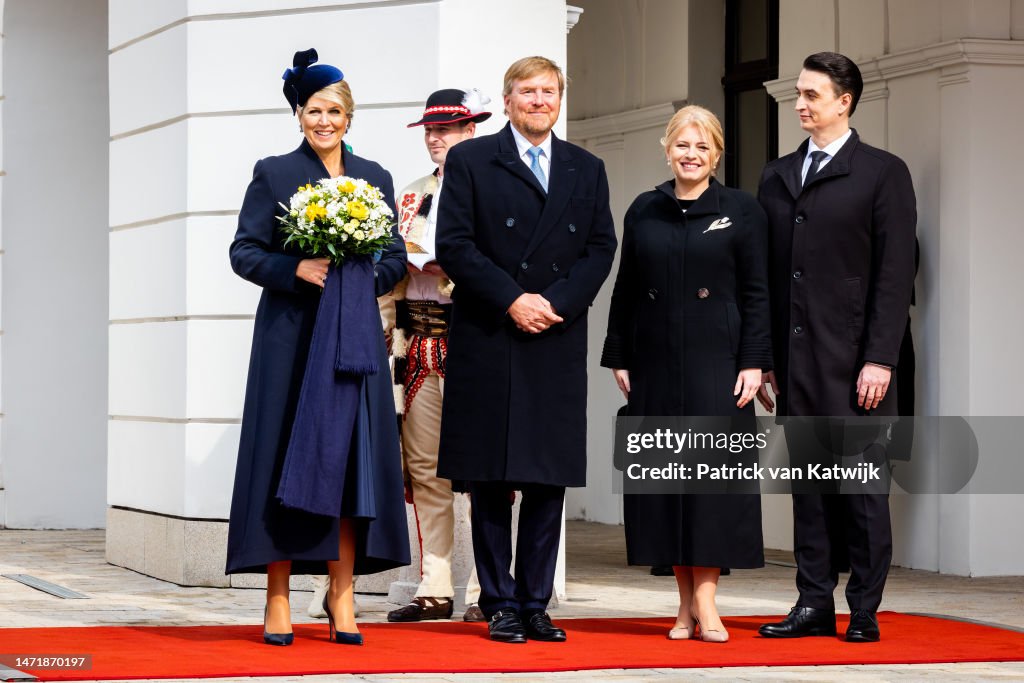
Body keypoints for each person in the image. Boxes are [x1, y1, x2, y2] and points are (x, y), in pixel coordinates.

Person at [225, 48, 410, 646]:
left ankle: (343, 590)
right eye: (313, 110)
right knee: (285, 455)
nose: (323, 120)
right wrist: (297, 269)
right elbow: (244, 253)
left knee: (353, 464)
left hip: (353, 339)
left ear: (349, 117)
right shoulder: (274, 172)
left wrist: (359, 277)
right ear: (299, 115)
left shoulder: (374, 177)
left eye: (333, 110)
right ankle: (278, 595)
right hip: (290, 342)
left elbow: (395, 260)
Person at [435, 56, 617, 643]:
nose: (539, 101)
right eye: (527, 91)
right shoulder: (470, 159)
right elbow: (455, 245)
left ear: (559, 99)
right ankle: (499, 600)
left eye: (548, 91)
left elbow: (599, 248)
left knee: (546, 476)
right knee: (489, 476)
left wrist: (554, 302)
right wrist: (514, 299)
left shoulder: (586, 168)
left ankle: (535, 601)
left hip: (555, 335)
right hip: (490, 332)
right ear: (509, 100)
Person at [755, 52, 917, 643]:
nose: (799, 104)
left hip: (856, 362)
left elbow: (896, 274)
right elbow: (767, 275)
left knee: (863, 490)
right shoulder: (776, 175)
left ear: (844, 101)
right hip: (797, 362)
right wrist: (766, 355)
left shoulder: (882, 173)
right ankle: (812, 602)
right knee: (810, 490)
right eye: (797, 94)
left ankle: (865, 610)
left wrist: (880, 357)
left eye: (811, 95)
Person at [601, 105, 771, 643]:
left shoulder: (741, 210)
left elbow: (757, 293)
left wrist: (754, 360)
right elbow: (625, 287)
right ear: (666, 148)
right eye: (682, 145)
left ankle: (707, 600)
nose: (691, 155)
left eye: (702, 147)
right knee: (664, 483)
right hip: (653, 359)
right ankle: (680, 603)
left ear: (717, 153)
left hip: (717, 361)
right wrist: (619, 353)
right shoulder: (644, 209)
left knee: (712, 484)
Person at [381, 88, 491, 624]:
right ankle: (435, 584)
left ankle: (488, 591)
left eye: (446, 128)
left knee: (489, 470)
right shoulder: (411, 195)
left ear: (472, 131)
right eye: (430, 130)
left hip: (474, 340)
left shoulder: (496, 191)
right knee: (425, 467)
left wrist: (448, 267)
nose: (435, 137)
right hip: (418, 339)